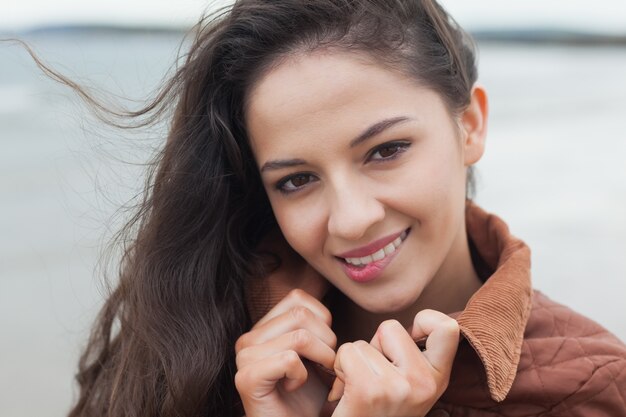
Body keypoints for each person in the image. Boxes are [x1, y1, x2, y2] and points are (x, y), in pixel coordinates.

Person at [65, 1, 626, 416]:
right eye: (297, 180)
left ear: (470, 125)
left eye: (386, 151)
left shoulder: (588, 386)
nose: (352, 219)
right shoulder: (191, 337)